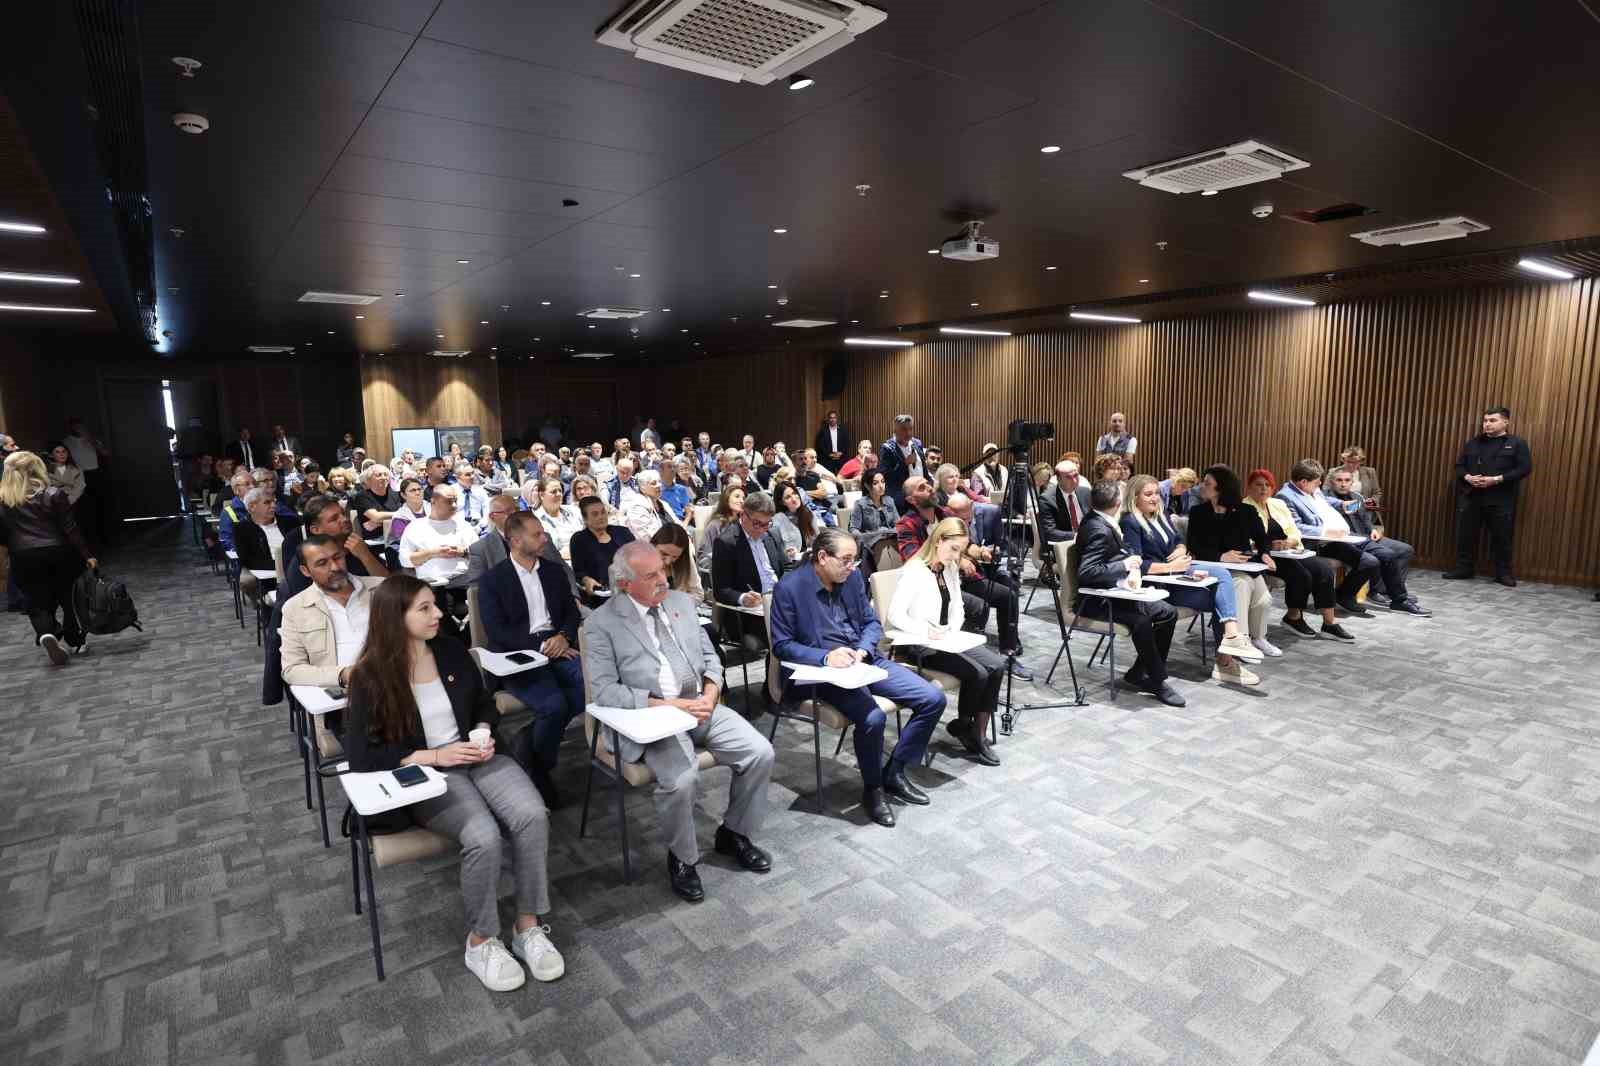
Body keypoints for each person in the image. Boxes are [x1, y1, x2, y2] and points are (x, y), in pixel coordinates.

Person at [344, 576, 564, 991]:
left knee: (533, 815)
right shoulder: (369, 676)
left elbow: (483, 703)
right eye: (425, 608)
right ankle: (481, 939)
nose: (439, 614)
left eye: (435, 605)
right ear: (396, 617)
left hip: (475, 757)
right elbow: (362, 757)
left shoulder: (448, 649)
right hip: (428, 773)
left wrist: (481, 730)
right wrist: (434, 756)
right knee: (482, 836)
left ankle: (528, 925)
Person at [583, 541, 776, 902]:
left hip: (700, 705)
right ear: (625, 584)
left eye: (663, 569)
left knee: (759, 752)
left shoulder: (681, 603)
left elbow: (711, 658)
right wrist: (666, 704)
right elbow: (606, 691)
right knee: (682, 777)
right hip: (652, 717)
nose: (663, 579)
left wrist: (710, 693)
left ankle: (734, 833)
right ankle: (683, 858)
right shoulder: (601, 624)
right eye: (651, 574)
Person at [770, 529, 946, 827]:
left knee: (932, 698)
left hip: (863, 659)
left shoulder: (850, 578)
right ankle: (873, 789)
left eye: (855, 560)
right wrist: (827, 657)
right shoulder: (790, 588)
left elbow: (871, 623)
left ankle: (895, 771)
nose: (853, 567)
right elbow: (782, 645)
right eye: (847, 560)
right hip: (823, 672)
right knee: (873, 718)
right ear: (822, 557)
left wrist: (864, 650)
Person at [478, 513, 586, 806]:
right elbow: (497, 632)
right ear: (515, 540)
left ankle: (528, 746)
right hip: (520, 655)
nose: (545, 538)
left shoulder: (552, 571)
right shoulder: (493, 580)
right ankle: (541, 770)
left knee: (593, 688)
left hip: (560, 646)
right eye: (537, 534)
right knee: (554, 706)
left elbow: (572, 612)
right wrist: (544, 646)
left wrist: (563, 636)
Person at [1121, 473, 1266, 684]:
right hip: (1157, 584)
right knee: (1222, 596)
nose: (1155, 498)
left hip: (1176, 573)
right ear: (1134, 498)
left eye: (1157, 494)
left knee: (1223, 580)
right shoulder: (1130, 522)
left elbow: (1179, 540)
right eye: (1148, 494)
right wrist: (1171, 566)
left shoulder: (1160, 514)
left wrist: (1181, 549)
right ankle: (1227, 657)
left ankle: (1229, 646)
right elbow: (1136, 565)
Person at [886, 518, 1005, 766]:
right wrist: (927, 631)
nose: (955, 556)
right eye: (953, 549)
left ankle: (975, 733)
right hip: (917, 643)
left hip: (946, 638)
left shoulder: (949, 567)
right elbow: (895, 615)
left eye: (959, 551)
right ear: (939, 540)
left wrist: (952, 629)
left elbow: (958, 606)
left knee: (996, 665)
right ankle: (966, 729)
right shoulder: (914, 570)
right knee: (978, 674)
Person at [1076, 480, 1184, 706]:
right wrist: (1125, 565)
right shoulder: (1097, 527)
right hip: (1097, 600)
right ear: (1117, 502)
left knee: (1168, 612)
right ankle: (1157, 679)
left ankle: (1139, 672)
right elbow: (1087, 572)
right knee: (1142, 621)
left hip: (1116, 593)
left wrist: (1129, 562)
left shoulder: (1102, 520)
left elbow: (1113, 555)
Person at [0, 450, 96, 663]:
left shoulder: (3, 500)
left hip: (23, 556)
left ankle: (47, 632)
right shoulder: (53, 494)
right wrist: (87, 554)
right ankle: (76, 642)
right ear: (38, 469)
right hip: (59, 553)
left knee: (37, 602)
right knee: (69, 598)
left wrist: (15, 547)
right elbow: (70, 529)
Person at [1243, 469, 1346, 643]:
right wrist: (1269, 545)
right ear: (1249, 488)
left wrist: (1289, 542)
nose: (1263, 489)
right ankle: (1293, 617)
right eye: (1258, 485)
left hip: (1290, 552)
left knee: (1324, 570)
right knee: (1301, 575)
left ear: (1273, 488)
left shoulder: (1278, 504)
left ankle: (1329, 623)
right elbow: (1247, 539)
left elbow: (1295, 531)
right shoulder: (1244, 508)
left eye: (1267, 485)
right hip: (1263, 556)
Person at [1274, 459, 1381, 617]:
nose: (1320, 485)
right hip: (1312, 544)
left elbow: (1323, 499)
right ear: (1303, 482)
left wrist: (1342, 504)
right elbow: (1297, 527)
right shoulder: (1286, 497)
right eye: (1317, 482)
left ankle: (1344, 595)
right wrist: (1326, 531)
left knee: (1370, 562)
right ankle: (1312, 611)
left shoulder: (1311, 489)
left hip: (1331, 540)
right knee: (1323, 570)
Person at [943, 493, 1029, 675]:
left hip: (972, 576)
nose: (965, 521)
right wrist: (960, 560)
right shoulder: (943, 523)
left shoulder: (965, 523)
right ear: (949, 512)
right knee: (981, 607)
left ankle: (1008, 650)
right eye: (960, 517)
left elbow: (969, 546)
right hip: (949, 580)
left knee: (1008, 595)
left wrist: (981, 552)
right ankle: (972, 656)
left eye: (967, 517)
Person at [1446, 406, 1533, 586]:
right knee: (1466, 535)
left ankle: (1503, 573)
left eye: (1492, 420)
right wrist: (1468, 477)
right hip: (1472, 497)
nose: (1487, 424)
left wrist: (1497, 479)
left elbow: (1525, 469)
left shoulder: (1517, 443)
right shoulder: (1473, 443)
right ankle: (1464, 568)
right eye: (1485, 421)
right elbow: (1459, 467)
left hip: (1500, 498)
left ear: (1505, 422)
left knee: (1502, 537)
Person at [1326, 468, 1430, 616]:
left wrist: (1372, 530)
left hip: (1365, 537)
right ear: (1332, 482)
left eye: (1347, 480)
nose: (1343, 484)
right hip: (1345, 540)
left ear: (1352, 482)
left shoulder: (1357, 497)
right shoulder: (1326, 499)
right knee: (1385, 555)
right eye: (1339, 480)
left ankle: (1385, 590)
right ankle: (1397, 598)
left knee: (1405, 549)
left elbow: (1365, 520)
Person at [711, 490, 787, 655]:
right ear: (743, 515)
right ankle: (774, 680)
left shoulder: (772, 533)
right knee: (787, 635)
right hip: (750, 616)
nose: (762, 529)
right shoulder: (726, 542)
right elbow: (721, 590)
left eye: (767, 523)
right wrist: (743, 598)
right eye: (757, 524)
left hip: (780, 602)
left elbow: (785, 568)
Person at [280, 494, 389, 601]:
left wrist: (365, 556)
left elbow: (389, 588)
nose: (344, 519)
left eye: (343, 514)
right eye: (334, 519)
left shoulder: (360, 548)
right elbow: (302, 602)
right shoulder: (306, 560)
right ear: (316, 530)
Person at [398, 483, 474, 587]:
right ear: (433, 502)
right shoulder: (415, 527)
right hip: (433, 585)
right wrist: (432, 553)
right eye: (449, 502)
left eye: (455, 501)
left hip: (464, 581)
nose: (454, 505)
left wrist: (463, 552)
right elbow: (405, 560)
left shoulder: (463, 525)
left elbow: (481, 554)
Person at [568, 496, 635, 607]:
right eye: (595, 514)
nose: (601, 517)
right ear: (585, 519)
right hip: (603, 596)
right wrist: (586, 580)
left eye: (603, 512)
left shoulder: (623, 532)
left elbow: (638, 555)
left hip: (631, 588)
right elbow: (579, 571)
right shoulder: (579, 540)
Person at [62, 417, 111, 545]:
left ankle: (104, 536)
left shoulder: (92, 440)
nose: (79, 429)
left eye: (81, 426)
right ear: (71, 427)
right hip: (78, 475)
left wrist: (90, 439)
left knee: (100, 504)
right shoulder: (66, 442)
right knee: (84, 507)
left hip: (95, 474)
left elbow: (105, 453)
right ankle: (89, 537)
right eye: (76, 427)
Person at [235, 487, 296, 577]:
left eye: (274, 501)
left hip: (296, 569)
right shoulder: (242, 529)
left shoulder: (290, 522)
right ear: (252, 507)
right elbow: (247, 560)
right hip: (266, 573)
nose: (274, 505)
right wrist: (280, 566)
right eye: (267, 503)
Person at [878, 414, 927, 509]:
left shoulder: (917, 443)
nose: (908, 433)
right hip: (901, 499)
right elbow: (886, 476)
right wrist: (904, 464)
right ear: (895, 431)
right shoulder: (887, 448)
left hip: (921, 495)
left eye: (910, 429)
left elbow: (924, 470)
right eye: (904, 429)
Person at [352, 465, 401, 554]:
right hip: (375, 541)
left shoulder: (395, 495)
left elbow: (405, 517)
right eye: (378, 475)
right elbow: (376, 516)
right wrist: (398, 515)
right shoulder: (362, 496)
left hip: (396, 538)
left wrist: (379, 523)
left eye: (386, 475)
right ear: (369, 480)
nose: (383, 478)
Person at [1037, 459, 1090, 541]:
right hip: (1066, 545)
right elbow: (1049, 532)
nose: (1074, 481)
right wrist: (1078, 536)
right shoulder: (1047, 499)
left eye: (1076, 475)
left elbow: (1095, 518)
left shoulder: (1086, 492)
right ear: (1058, 479)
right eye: (1068, 477)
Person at [849, 469, 898, 557]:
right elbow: (853, 529)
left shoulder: (889, 501)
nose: (881, 486)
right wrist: (864, 538)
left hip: (890, 540)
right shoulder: (860, 504)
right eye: (875, 483)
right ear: (867, 486)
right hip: (870, 544)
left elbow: (898, 524)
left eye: (882, 482)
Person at [529, 476, 583, 554]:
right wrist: (560, 554)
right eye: (553, 492)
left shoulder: (574, 511)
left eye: (560, 491)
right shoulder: (535, 520)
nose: (558, 494)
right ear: (541, 495)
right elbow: (539, 552)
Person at [652, 523, 704, 601]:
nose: (668, 561)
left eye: (675, 557)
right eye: (664, 554)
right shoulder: (640, 561)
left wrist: (678, 604)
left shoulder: (685, 561)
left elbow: (697, 593)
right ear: (653, 545)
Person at [622, 469, 679, 542]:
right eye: (653, 483)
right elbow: (648, 537)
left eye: (659, 482)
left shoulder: (664, 504)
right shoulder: (637, 507)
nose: (659, 485)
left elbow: (677, 523)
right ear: (643, 488)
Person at [772, 481, 817, 561]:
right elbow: (781, 553)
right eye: (788, 497)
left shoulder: (807, 513)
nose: (794, 498)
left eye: (794, 493)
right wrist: (789, 553)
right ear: (782, 502)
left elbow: (818, 540)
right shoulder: (778, 520)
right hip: (794, 563)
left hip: (812, 558)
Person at [698, 484, 744, 554]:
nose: (741, 501)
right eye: (737, 496)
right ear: (726, 499)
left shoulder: (743, 523)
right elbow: (704, 554)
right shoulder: (715, 525)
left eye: (743, 498)